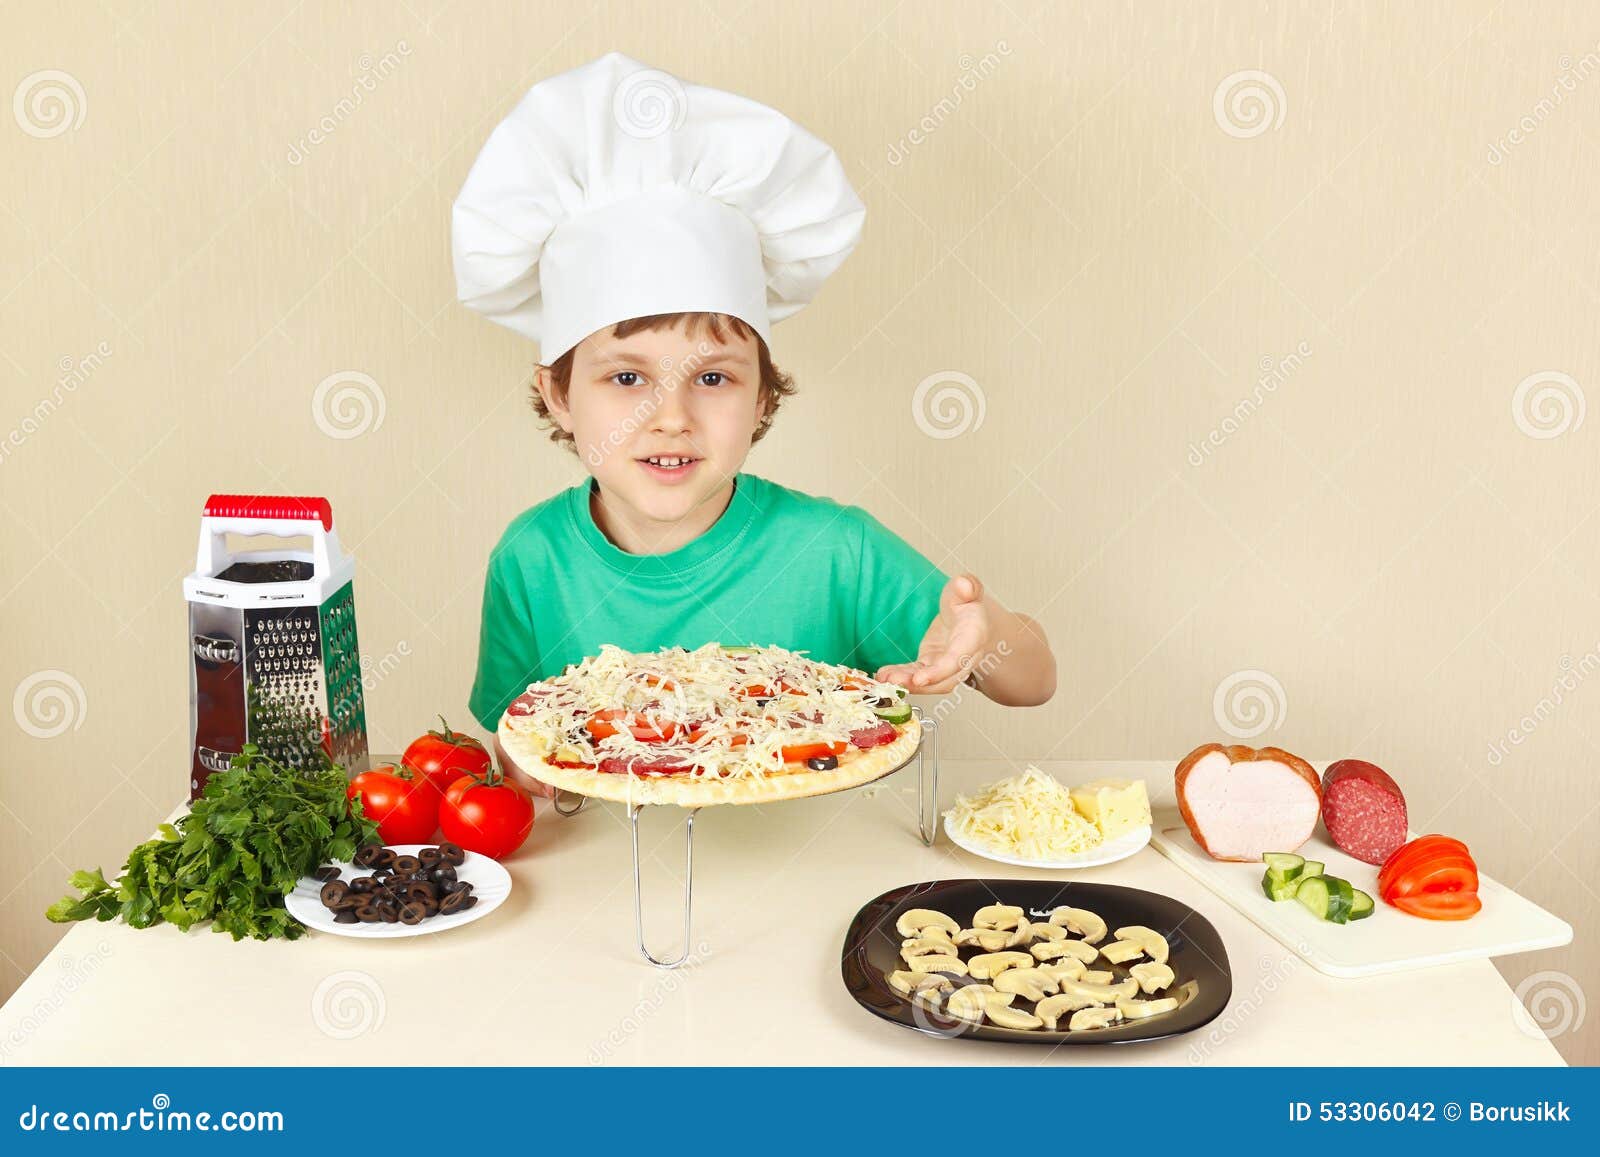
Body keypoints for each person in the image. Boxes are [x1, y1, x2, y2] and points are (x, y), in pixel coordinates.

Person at [451, 54, 1056, 791]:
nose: (670, 417)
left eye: (712, 378)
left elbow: (1034, 681)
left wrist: (982, 634)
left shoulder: (837, 551)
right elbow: (518, 750)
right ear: (558, 394)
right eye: (627, 378)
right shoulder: (531, 559)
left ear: (764, 396)